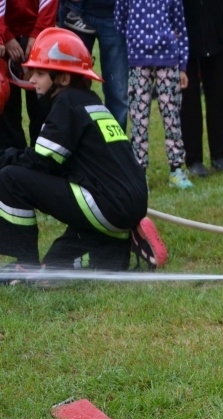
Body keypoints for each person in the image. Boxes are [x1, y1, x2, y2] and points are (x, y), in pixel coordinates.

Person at [0, 28, 167, 278]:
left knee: (10, 178)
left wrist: (3, 157)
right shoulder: (90, 101)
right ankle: (116, 249)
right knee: (54, 265)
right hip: (123, 205)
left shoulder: (66, 104)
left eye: (40, 72)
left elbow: (41, 162)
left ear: (64, 79)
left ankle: (25, 263)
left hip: (108, 205)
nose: (32, 79)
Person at [115, 0, 194, 190]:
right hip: (137, 61)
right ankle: (139, 173)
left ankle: (176, 170)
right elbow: (119, 21)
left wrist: (182, 65)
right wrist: (136, 40)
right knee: (138, 119)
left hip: (168, 59)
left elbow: (180, 26)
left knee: (171, 116)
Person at [180, 0, 223, 178]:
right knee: (189, 101)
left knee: (219, 97)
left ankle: (220, 156)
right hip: (186, 41)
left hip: (218, 38)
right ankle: (194, 159)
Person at [58, 0, 130, 131]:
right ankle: (69, 145)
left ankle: (115, 149)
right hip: (75, 10)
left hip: (114, 13)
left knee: (117, 94)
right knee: (68, 88)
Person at [0, 0, 56, 150]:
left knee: (42, 102)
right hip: (5, 38)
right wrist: (6, 36)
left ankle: (41, 154)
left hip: (39, 36)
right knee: (5, 102)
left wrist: (38, 35)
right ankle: (10, 157)